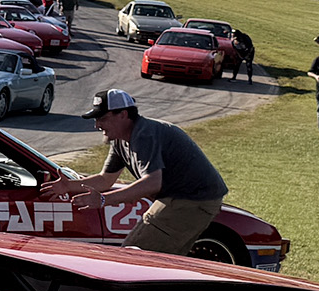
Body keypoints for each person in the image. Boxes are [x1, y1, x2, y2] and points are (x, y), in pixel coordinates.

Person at [46, 89, 229, 255]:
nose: (97, 125)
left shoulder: (144, 134)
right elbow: (105, 179)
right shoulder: (120, 139)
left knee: (134, 255)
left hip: (192, 200)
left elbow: (152, 183)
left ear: (123, 114)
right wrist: (68, 185)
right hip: (185, 200)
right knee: (162, 261)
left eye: (102, 118)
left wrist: (103, 200)